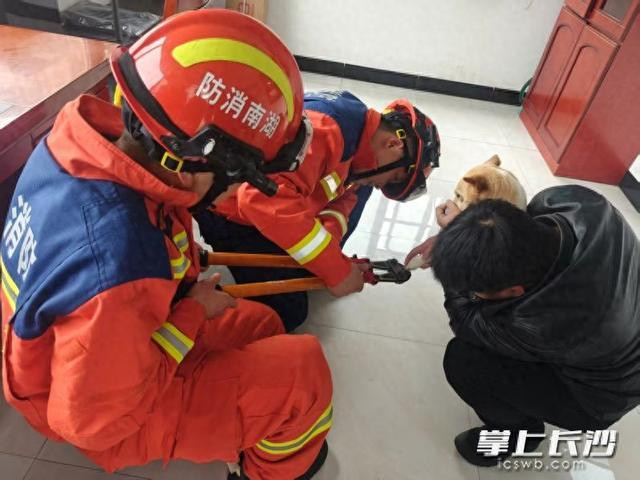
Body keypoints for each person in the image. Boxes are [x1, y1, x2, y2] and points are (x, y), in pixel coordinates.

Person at [1, 10, 333, 480]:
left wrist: (185, 304)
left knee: (263, 323)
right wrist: (191, 313)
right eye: (237, 179)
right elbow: (93, 422)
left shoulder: (77, 147)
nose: (235, 194)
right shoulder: (120, 262)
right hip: (99, 412)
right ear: (193, 167)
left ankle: (248, 434)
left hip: (80, 353)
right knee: (303, 376)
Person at [425, 187, 640, 467]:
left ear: (514, 291)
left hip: (599, 398)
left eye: (477, 292)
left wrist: (456, 267)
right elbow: (505, 234)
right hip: (621, 327)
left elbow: (465, 320)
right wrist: (461, 237)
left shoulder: (544, 322)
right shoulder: (571, 201)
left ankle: (520, 434)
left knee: (464, 362)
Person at [195, 90, 441, 331]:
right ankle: (192, 308)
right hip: (230, 214)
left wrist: (328, 250)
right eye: (394, 178)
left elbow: (344, 199)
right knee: (289, 311)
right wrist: (337, 270)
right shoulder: (323, 131)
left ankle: (312, 256)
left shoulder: (361, 137)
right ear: (393, 144)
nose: (383, 185)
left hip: (278, 204)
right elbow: (256, 199)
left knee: (364, 185)